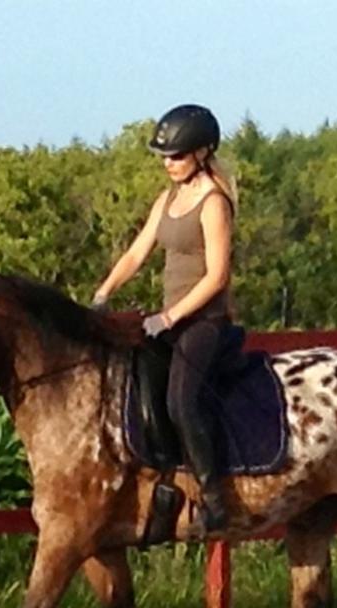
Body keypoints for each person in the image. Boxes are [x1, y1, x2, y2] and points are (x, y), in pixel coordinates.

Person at [91, 104, 239, 532]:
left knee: (181, 400)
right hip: (167, 320)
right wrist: (103, 294)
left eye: (176, 155)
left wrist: (170, 317)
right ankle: (163, 487)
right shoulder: (168, 199)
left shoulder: (214, 203)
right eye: (164, 157)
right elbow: (138, 252)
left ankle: (214, 497)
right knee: (137, 388)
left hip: (203, 321)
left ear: (203, 152)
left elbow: (217, 277)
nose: (168, 164)